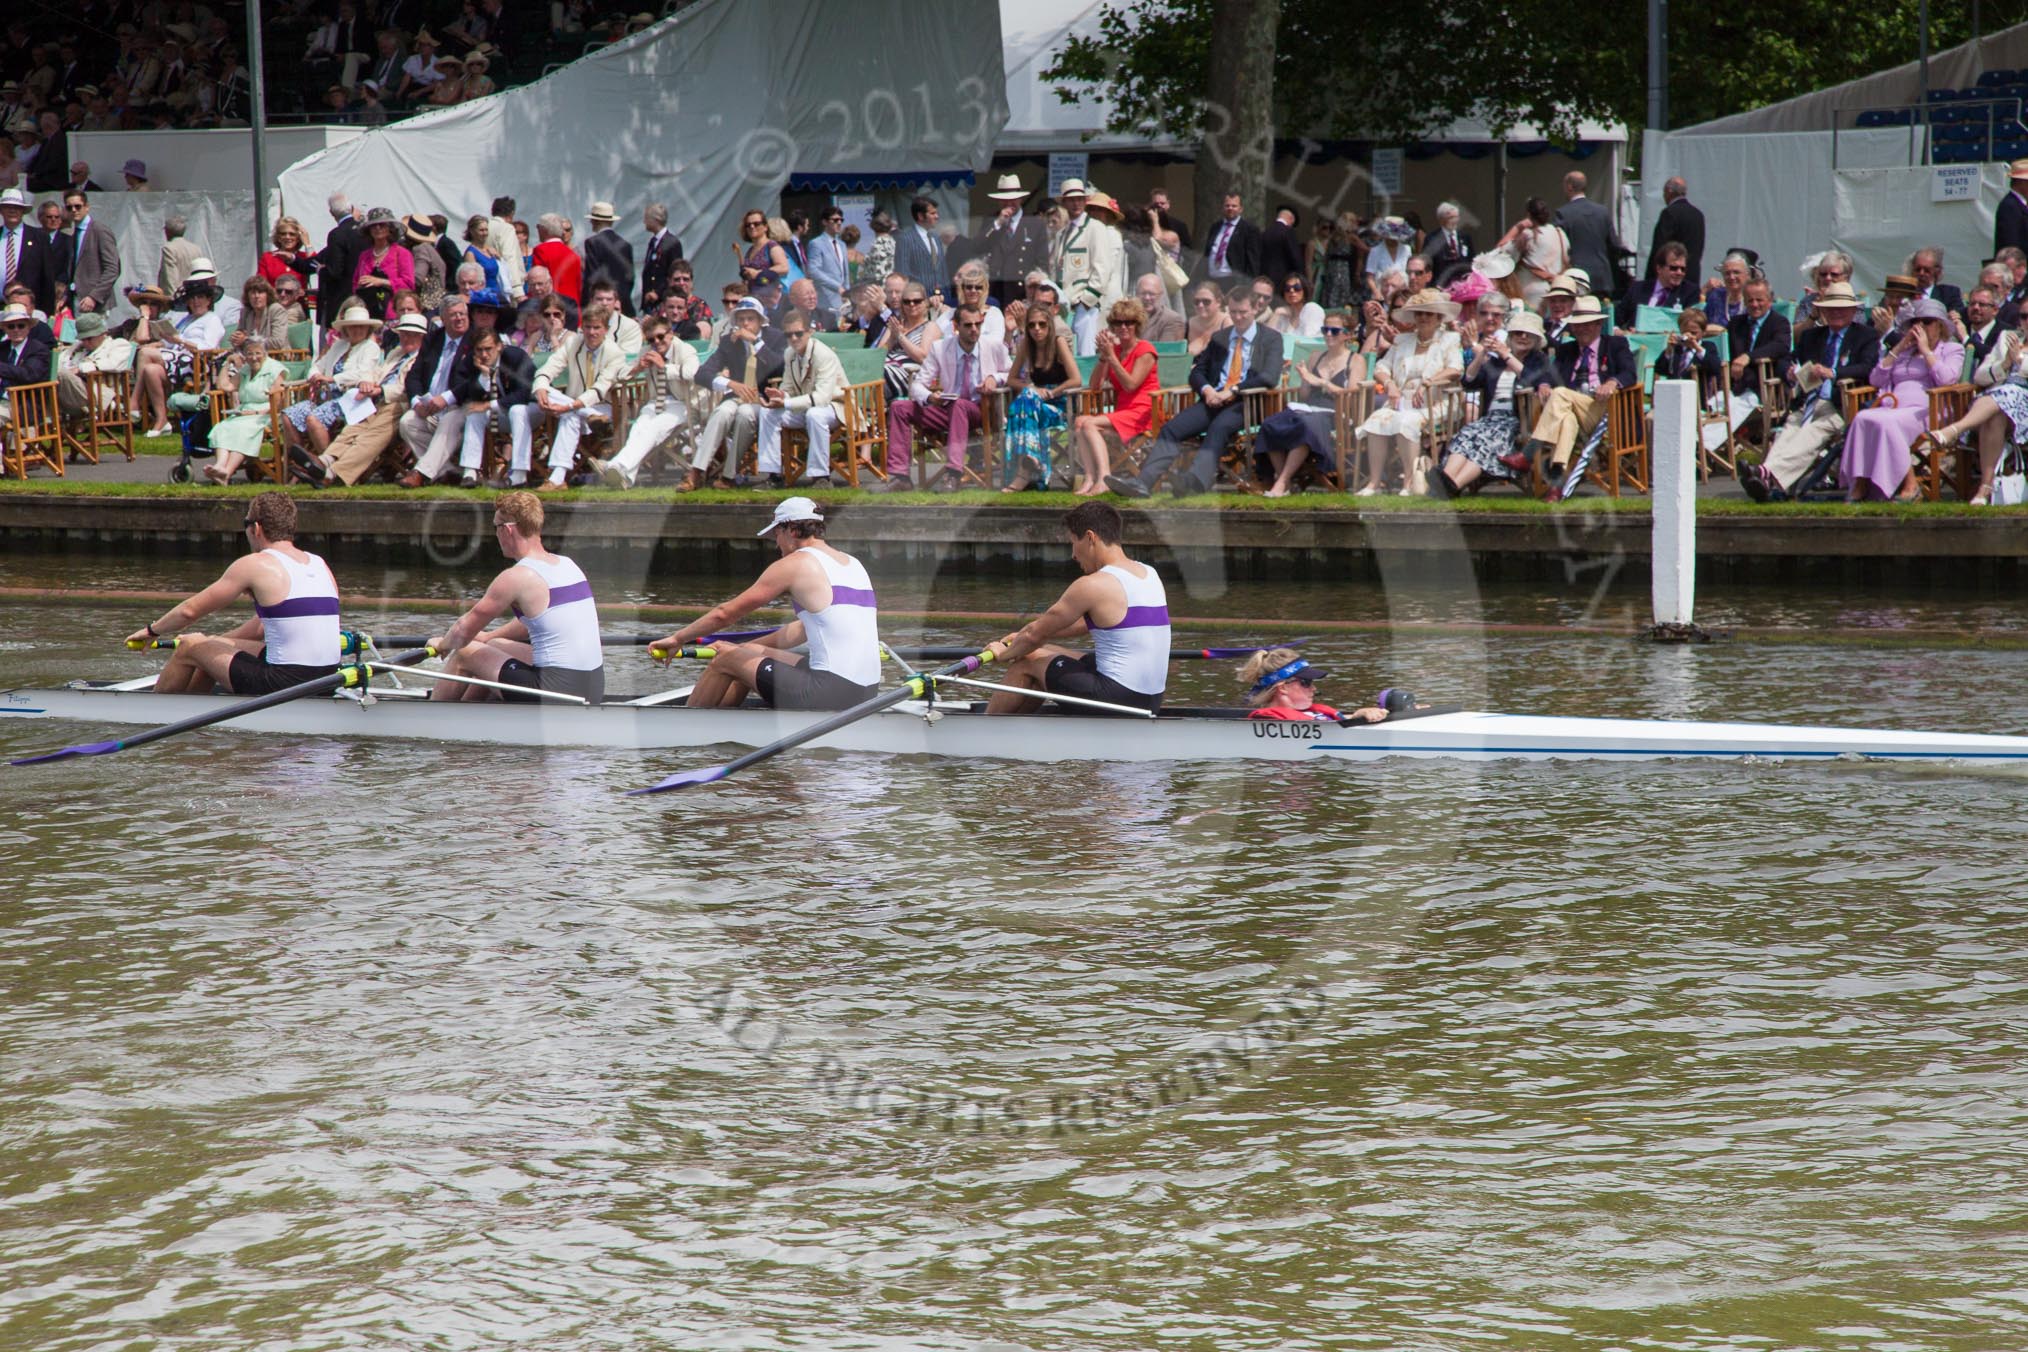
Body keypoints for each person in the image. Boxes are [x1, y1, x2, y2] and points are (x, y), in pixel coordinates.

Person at [650, 497, 882, 711]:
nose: (776, 544)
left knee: (725, 659)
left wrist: (677, 639)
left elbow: (725, 614)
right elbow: (801, 629)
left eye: (776, 535)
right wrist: (743, 649)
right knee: (742, 653)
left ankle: (686, 728)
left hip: (828, 692)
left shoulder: (796, 563)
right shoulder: (852, 563)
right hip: (866, 693)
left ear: (791, 529)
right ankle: (722, 719)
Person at [127, 492, 341, 696]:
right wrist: (212, 641)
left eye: (245, 523)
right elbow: (260, 626)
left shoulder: (256, 564)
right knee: (208, 647)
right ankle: (195, 706)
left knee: (188, 645)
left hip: (285, 683)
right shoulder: (318, 563)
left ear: (256, 528)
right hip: (329, 679)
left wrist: (152, 630)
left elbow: (189, 611)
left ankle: (158, 713)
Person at [978, 500, 1168, 716]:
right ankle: (1020, 729)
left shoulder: (1093, 584)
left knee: (1027, 660)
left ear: (1089, 537)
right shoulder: (1149, 573)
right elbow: (1063, 628)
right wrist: (1021, 637)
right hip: (1150, 699)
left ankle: (985, 731)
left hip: (1119, 699)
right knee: (1042, 651)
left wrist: (1003, 653)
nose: (1073, 554)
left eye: (1072, 542)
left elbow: (1035, 636)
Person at [427, 490, 604, 704]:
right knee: (496, 645)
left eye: (496, 527)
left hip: (556, 693)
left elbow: (463, 630)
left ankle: (433, 722)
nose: (495, 534)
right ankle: (471, 709)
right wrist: (486, 637)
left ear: (508, 530)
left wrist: (442, 645)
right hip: (592, 687)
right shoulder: (567, 564)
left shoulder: (516, 577)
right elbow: (538, 620)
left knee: (464, 652)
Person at [1107, 285, 1283, 499]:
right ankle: (1142, 483)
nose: (1237, 318)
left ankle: (1194, 482)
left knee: (1219, 427)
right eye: (1233, 312)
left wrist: (1233, 391)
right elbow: (1197, 371)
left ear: (1255, 309)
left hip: (1248, 402)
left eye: (1243, 312)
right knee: (1172, 429)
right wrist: (1207, 389)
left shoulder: (1270, 338)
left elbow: (1269, 376)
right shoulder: (1221, 337)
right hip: (1213, 398)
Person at [1740, 282, 1878, 502]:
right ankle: (1768, 479)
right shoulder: (1812, 336)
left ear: (1853, 311)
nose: (1836, 313)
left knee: (1811, 433)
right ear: (1822, 310)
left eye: (1841, 308)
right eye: (1831, 308)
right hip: (1808, 401)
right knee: (1788, 431)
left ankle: (1767, 476)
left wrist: (1832, 372)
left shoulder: (1866, 335)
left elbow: (1868, 367)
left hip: (1841, 404)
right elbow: (1786, 359)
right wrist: (1790, 372)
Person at [1510, 293, 1638, 492]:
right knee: (1567, 420)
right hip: (1571, 410)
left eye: (1587, 324)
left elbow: (1630, 373)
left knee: (1560, 393)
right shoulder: (1566, 349)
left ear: (1598, 325)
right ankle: (1557, 483)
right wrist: (1544, 384)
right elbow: (1550, 375)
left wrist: (1612, 382)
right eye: (1577, 324)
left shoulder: (1615, 345)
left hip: (1605, 411)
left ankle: (1528, 454)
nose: (1581, 329)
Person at [1838, 298, 1962, 501]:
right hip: (1892, 406)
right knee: (1862, 418)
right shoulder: (1903, 353)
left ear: (1939, 326)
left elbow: (1947, 379)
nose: (1920, 327)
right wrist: (1898, 348)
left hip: (1928, 410)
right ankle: (1860, 483)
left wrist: (1926, 351)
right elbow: (1876, 379)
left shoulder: (1951, 349)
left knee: (1888, 423)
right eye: (1915, 322)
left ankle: (1911, 486)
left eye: (1927, 322)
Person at [877, 301, 1008, 493]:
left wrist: (994, 378)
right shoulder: (940, 348)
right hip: (946, 408)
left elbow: (1013, 374)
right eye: (968, 325)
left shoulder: (993, 346)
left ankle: (953, 473)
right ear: (955, 327)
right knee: (899, 407)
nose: (974, 329)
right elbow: (917, 385)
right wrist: (931, 397)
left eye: (977, 324)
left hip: (981, 410)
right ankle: (901, 476)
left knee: (960, 406)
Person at [1354, 287, 1462, 496]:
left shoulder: (1450, 339)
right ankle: (1374, 484)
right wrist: (1390, 385)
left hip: (1437, 402)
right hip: (1402, 401)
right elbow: (1381, 367)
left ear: (1439, 317)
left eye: (1428, 313)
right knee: (1377, 419)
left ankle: (1410, 482)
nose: (1423, 317)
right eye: (1419, 313)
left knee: (1407, 422)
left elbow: (1455, 369)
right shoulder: (1403, 340)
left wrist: (1428, 382)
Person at [1435, 309, 1554, 496]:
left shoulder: (1539, 360)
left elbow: (1533, 380)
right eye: (1517, 333)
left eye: (1528, 334)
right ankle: (1446, 480)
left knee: (1485, 441)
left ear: (1537, 339)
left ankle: (1452, 486)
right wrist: (1481, 354)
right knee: (1467, 434)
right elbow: (1470, 381)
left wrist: (1507, 355)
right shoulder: (1497, 363)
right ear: (1510, 336)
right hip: (1490, 418)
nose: (1522, 337)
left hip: (1518, 420)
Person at [1255, 307, 1364, 496]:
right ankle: (1283, 480)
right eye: (1325, 330)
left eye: (1334, 331)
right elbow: (1305, 395)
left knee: (1306, 426)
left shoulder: (1356, 360)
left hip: (1336, 413)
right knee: (1269, 424)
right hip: (1307, 408)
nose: (1328, 334)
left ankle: (1281, 483)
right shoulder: (1315, 356)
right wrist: (1304, 377)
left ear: (1347, 335)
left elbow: (1351, 395)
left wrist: (1322, 382)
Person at [531, 302, 626, 490]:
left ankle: (556, 479)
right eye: (588, 327)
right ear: (582, 328)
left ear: (606, 330)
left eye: (597, 328)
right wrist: (541, 388)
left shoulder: (616, 354)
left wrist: (571, 406)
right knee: (545, 392)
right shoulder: (574, 343)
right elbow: (549, 367)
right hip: (583, 412)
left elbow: (600, 389)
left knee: (570, 415)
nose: (591, 333)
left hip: (604, 408)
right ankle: (557, 479)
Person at [283, 300, 384, 463]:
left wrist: (331, 379)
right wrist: (315, 376)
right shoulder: (339, 346)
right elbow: (317, 366)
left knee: (312, 419)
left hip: (349, 399)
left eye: (361, 326)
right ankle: (303, 461)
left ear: (368, 328)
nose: (357, 330)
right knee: (288, 415)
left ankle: (329, 466)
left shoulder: (370, 348)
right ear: (345, 329)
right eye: (352, 326)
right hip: (324, 397)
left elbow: (362, 373)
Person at [755, 308, 845, 487]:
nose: (794, 338)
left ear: (809, 332)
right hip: (806, 405)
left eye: (798, 333)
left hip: (835, 407)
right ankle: (773, 475)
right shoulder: (790, 353)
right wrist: (780, 396)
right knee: (768, 413)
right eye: (789, 335)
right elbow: (788, 387)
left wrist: (787, 402)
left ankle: (821, 476)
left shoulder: (823, 354)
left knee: (815, 414)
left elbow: (822, 398)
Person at [1002, 304, 1083, 493]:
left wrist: (1052, 393)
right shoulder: (1026, 346)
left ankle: (1023, 472)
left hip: (1060, 405)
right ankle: (1031, 461)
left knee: (1019, 406)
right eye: (1032, 325)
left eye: (1042, 324)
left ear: (1049, 326)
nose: (1037, 329)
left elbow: (1076, 379)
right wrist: (1032, 389)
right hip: (1034, 405)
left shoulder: (1059, 342)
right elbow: (1011, 380)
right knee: (1025, 400)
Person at [1052, 180, 1126, 356]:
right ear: (1064, 203)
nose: (1076, 203)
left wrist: (1087, 300)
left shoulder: (1095, 228)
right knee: (1066, 353)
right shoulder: (1061, 233)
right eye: (1071, 200)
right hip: (1065, 304)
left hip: (1083, 304)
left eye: (1079, 199)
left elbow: (1102, 268)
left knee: (1086, 353)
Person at [200, 337, 289, 483]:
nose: (254, 358)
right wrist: (227, 363)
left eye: (258, 353)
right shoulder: (246, 370)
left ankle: (227, 472)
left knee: (243, 429)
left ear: (265, 353)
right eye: (249, 354)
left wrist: (256, 413)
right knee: (223, 427)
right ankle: (220, 466)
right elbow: (225, 386)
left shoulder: (275, 369)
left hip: (268, 414)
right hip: (243, 412)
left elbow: (278, 402)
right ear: (244, 356)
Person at [1554, 171, 1624, 299]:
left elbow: (1558, 247)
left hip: (1576, 276)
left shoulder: (1563, 213)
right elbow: (1614, 244)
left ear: (1569, 186)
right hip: (1602, 277)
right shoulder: (1602, 211)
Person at [54, 311, 132, 419]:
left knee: (60, 373)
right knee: (51, 373)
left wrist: (80, 368)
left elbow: (114, 364)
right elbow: (58, 362)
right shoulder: (77, 347)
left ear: (102, 333)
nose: (85, 342)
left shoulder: (118, 345)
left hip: (98, 394)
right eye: (82, 339)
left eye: (89, 338)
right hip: (73, 392)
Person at [1492, 198, 1567, 309]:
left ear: (1528, 214)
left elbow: (1498, 254)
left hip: (1531, 292)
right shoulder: (1560, 233)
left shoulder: (1528, 236)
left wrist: (1518, 227)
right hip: (1556, 289)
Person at [1239, 648, 1342, 722]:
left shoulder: (1313, 713)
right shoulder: (1268, 719)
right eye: (1306, 682)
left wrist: (1357, 715)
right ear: (1283, 687)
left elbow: (1345, 722)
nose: (1314, 688)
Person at [351, 206, 415, 320]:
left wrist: (381, 282)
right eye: (373, 225)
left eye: (382, 225)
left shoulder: (402, 253)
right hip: (367, 315)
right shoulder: (364, 256)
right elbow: (355, 283)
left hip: (393, 315)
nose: (377, 228)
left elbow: (409, 285)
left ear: (390, 228)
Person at [1647, 176, 1705, 286]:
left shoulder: (1669, 213)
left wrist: (1650, 278)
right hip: (1692, 275)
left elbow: (1659, 248)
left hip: (1671, 277)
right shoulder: (1698, 214)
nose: (1664, 196)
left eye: (1664, 192)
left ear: (1669, 191)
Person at [1198, 190, 1260, 285]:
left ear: (1240, 209)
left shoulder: (1249, 229)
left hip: (1233, 280)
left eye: (1234, 206)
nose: (1230, 208)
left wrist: (1249, 284)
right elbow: (1207, 253)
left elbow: (1253, 260)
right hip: (1211, 278)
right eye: (1227, 205)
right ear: (1223, 207)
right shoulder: (1215, 227)